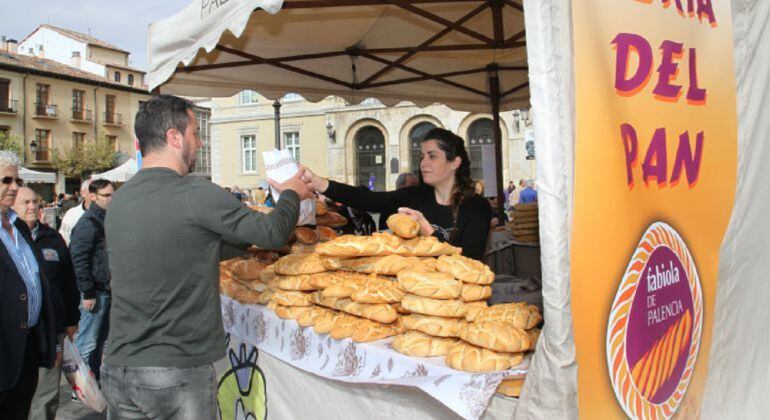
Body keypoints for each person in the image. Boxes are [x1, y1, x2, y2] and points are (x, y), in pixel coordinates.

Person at [101, 95, 313, 419]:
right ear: (174, 137)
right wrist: (290, 193)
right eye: (195, 133)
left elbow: (194, 248)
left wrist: (250, 246)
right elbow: (272, 232)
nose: (199, 143)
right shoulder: (194, 193)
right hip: (176, 371)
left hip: (118, 367)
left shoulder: (120, 200)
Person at [301, 127, 492, 260]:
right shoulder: (414, 197)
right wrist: (320, 183)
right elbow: (367, 199)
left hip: (456, 303)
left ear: (454, 163)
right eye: (422, 156)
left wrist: (429, 232)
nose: (423, 163)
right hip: (415, 296)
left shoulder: (476, 207)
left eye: (432, 156)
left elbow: (469, 263)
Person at [0, 151, 59, 419]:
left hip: (27, 345)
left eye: (17, 179)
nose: (14, 186)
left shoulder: (19, 226)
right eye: (6, 180)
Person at [13, 187, 80, 420]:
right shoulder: (9, 239)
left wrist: (71, 320)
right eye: (25, 202)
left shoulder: (53, 238)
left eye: (35, 202)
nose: (32, 207)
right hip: (18, 331)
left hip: (52, 328)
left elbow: (68, 282)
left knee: (48, 389)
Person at [70, 179, 114, 384]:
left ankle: (92, 380)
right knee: (87, 341)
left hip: (104, 289)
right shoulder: (88, 222)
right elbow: (78, 257)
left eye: (113, 194)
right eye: (106, 195)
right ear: (93, 196)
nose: (111, 199)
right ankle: (80, 386)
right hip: (94, 292)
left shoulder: (105, 219)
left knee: (98, 342)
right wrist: (87, 291)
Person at [58, 180, 91, 245]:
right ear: (83, 193)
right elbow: (64, 239)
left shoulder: (109, 214)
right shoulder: (72, 214)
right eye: (94, 190)